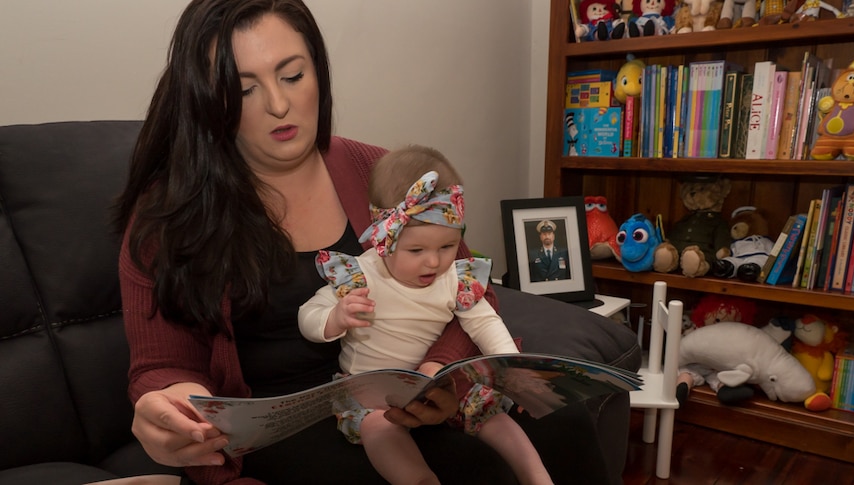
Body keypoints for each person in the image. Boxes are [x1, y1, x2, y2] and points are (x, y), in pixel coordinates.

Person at [112, 0, 619, 483]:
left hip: (405, 389)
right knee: (472, 468)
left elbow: (467, 289)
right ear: (209, 100)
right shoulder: (170, 214)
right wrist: (173, 409)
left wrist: (439, 374)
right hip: (292, 427)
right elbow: (164, 364)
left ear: (319, 72)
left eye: (293, 75)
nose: (279, 103)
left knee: (564, 424)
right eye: (244, 90)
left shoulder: (381, 175)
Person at [298, 146, 553, 485]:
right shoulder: (359, 275)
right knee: (377, 427)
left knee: (490, 413)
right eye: (416, 250)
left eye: (446, 247)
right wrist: (335, 318)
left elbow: (485, 321)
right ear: (383, 237)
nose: (433, 262)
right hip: (375, 395)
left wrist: (514, 369)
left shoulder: (452, 279)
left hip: (438, 388)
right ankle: (419, 479)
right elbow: (307, 315)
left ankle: (536, 476)